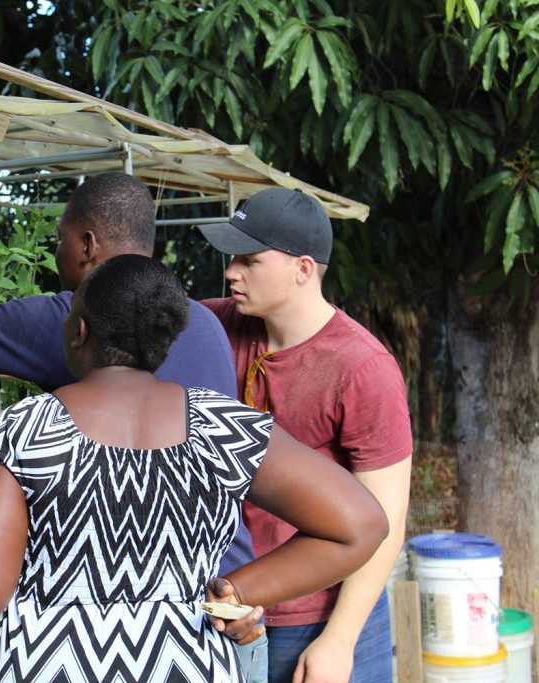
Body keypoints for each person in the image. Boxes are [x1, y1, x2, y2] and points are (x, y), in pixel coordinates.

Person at [0, 173, 270, 677]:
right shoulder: (201, 324)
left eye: (61, 239)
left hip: (83, 637)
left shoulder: (68, 316)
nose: (56, 253)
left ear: (88, 245)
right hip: (220, 616)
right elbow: (142, 444)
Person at [0, 254, 389, 683]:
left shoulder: (24, 431)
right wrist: (238, 588)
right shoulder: (222, 426)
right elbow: (361, 526)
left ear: (79, 331)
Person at [197, 187, 413, 683]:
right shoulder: (212, 327)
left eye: (250, 261)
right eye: (233, 259)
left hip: (321, 616)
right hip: (227, 608)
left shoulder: (362, 367)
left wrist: (340, 639)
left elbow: (386, 518)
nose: (232, 272)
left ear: (303, 268)